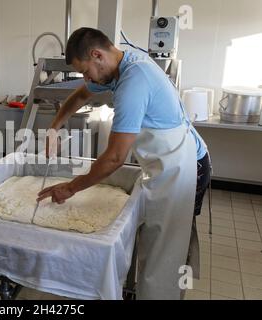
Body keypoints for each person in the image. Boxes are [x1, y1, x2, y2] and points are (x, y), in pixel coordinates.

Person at [37, 27, 211, 300]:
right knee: (156, 240)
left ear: (97, 55)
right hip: (164, 163)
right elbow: (81, 95)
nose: (86, 78)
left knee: (165, 250)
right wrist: (54, 127)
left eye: (85, 71)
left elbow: (116, 157)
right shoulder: (117, 66)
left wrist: (70, 188)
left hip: (185, 166)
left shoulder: (134, 80)